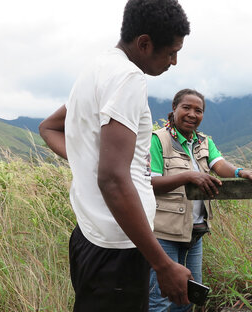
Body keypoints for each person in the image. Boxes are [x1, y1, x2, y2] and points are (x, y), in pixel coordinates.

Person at [38, 0, 193, 310]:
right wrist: (163, 265)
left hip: (91, 236)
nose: (174, 61)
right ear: (145, 44)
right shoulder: (127, 79)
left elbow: (48, 128)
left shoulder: (96, 70)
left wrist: (88, 160)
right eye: (171, 52)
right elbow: (112, 179)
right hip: (117, 249)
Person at [148, 88, 252, 311]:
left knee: (189, 295)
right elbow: (151, 183)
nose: (192, 114)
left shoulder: (204, 142)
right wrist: (188, 176)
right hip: (164, 232)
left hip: (195, 231)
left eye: (199, 110)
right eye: (186, 107)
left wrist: (239, 172)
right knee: (160, 297)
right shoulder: (158, 140)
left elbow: (219, 165)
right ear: (174, 109)